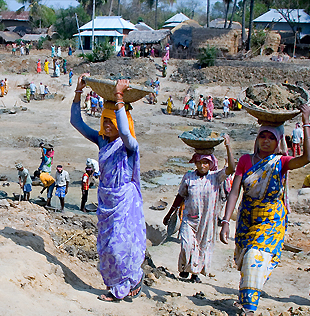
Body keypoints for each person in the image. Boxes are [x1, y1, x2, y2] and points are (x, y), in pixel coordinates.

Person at [220, 105, 310, 316]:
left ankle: (249, 307)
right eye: (262, 136)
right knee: (244, 260)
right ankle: (247, 297)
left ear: (278, 141)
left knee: (256, 255)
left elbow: (307, 158)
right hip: (247, 219)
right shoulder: (246, 160)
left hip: (271, 219)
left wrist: (306, 121)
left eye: (271, 137)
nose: (265, 141)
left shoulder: (281, 162)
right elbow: (235, 192)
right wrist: (226, 221)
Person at [71, 74, 146, 302]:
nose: (106, 124)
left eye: (111, 120)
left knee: (121, 246)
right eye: (104, 119)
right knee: (106, 248)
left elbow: (124, 132)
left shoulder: (129, 145)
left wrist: (119, 97)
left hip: (125, 201)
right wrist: (78, 92)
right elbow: (76, 123)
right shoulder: (102, 141)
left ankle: (126, 285)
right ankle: (120, 284)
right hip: (106, 201)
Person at [164, 136, 236, 283]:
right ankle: (184, 268)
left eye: (206, 162)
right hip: (189, 219)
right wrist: (169, 213)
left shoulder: (216, 177)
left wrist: (228, 146)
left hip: (207, 221)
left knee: (202, 246)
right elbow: (180, 196)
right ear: (195, 162)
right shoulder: (189, 177)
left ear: (211, 164)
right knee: (186, 245)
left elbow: (231, 169)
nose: (202, 165)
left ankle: (194, 273)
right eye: (199, 162)